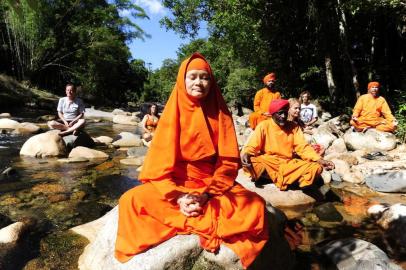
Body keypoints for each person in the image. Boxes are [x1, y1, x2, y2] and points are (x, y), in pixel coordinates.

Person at [115, 53, 268, 269]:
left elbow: (227, 164)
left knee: (256, 206)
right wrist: (178, 197)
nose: (199, 82)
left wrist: (206, 195)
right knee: (129, 201)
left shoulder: (221, 112)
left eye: (204, 77)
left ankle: (191, 214)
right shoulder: (171, 112)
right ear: (182, 80)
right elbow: (159, 167)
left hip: (211, 186)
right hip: (176, 184)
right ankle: (192, 213)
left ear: (211, 81)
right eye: (193, 77)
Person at [241, 99, 334, 191]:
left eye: (285, 113)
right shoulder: (264, 125)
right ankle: (292, 178)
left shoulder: (294, 127)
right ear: (273, 114)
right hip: (269, 161)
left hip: (287, 163)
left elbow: (303, 148)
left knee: (316, 168)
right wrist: (247, 153)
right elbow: (252, 145)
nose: (284, 116)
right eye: (280, 113)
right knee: (251, 161)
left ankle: (276, 177)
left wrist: (319, 159)